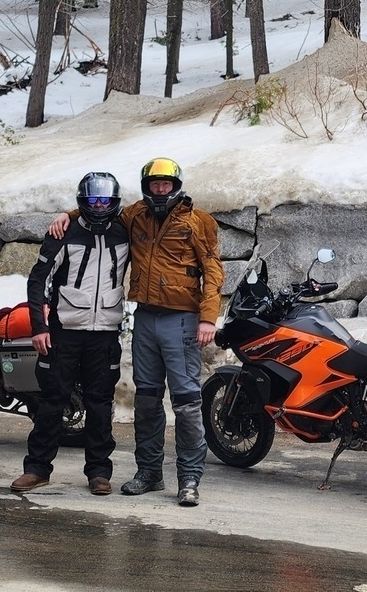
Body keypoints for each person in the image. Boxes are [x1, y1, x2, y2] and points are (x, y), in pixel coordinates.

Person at [48, 156, 221, 506]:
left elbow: (214, 271)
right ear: (146, 187)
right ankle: (149, 472)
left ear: (176, 186)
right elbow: (100, 208)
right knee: (146, 399)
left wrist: (208, 318)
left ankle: (189, 478)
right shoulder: (135, 215)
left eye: (166, 184)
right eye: (155, 184)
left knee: (187, 401)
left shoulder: (199, 222)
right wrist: (69, 213)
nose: (161, 189)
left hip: (183, 320)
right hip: (144, 318)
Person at [12, 172, 130, 496]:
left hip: (105, 333)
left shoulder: (125, 232)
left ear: (115, 201)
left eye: (105, 198)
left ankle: (98, 472)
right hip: (64, 332)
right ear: (82, 200)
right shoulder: (65, 232)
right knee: (52, 401)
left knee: (100, 404)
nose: (99, 204)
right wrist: (39, 325)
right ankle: (37, 469)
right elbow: (38, 281)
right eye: (93, 198)